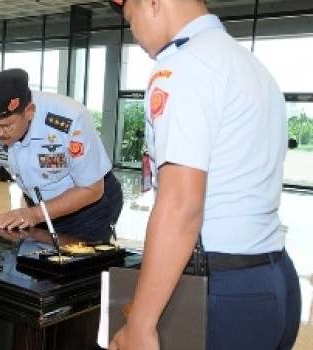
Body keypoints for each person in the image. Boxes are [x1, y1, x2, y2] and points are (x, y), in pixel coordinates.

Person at [108, 1, 301, 350]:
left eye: (129, 17)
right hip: (273, 280)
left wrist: (141, 324)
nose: (133, 32)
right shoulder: (247, 64)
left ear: (151, 3)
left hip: (220, 289)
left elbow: (181, 205)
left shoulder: (184, 66)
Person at [0, 69, 123, 242]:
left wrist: (34, 214)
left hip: (88, 208)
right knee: (37, 262)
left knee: (78, 262)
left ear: (29, 111)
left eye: (6, 126)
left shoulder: (69, 117)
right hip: (38, 206)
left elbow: (91, 189)